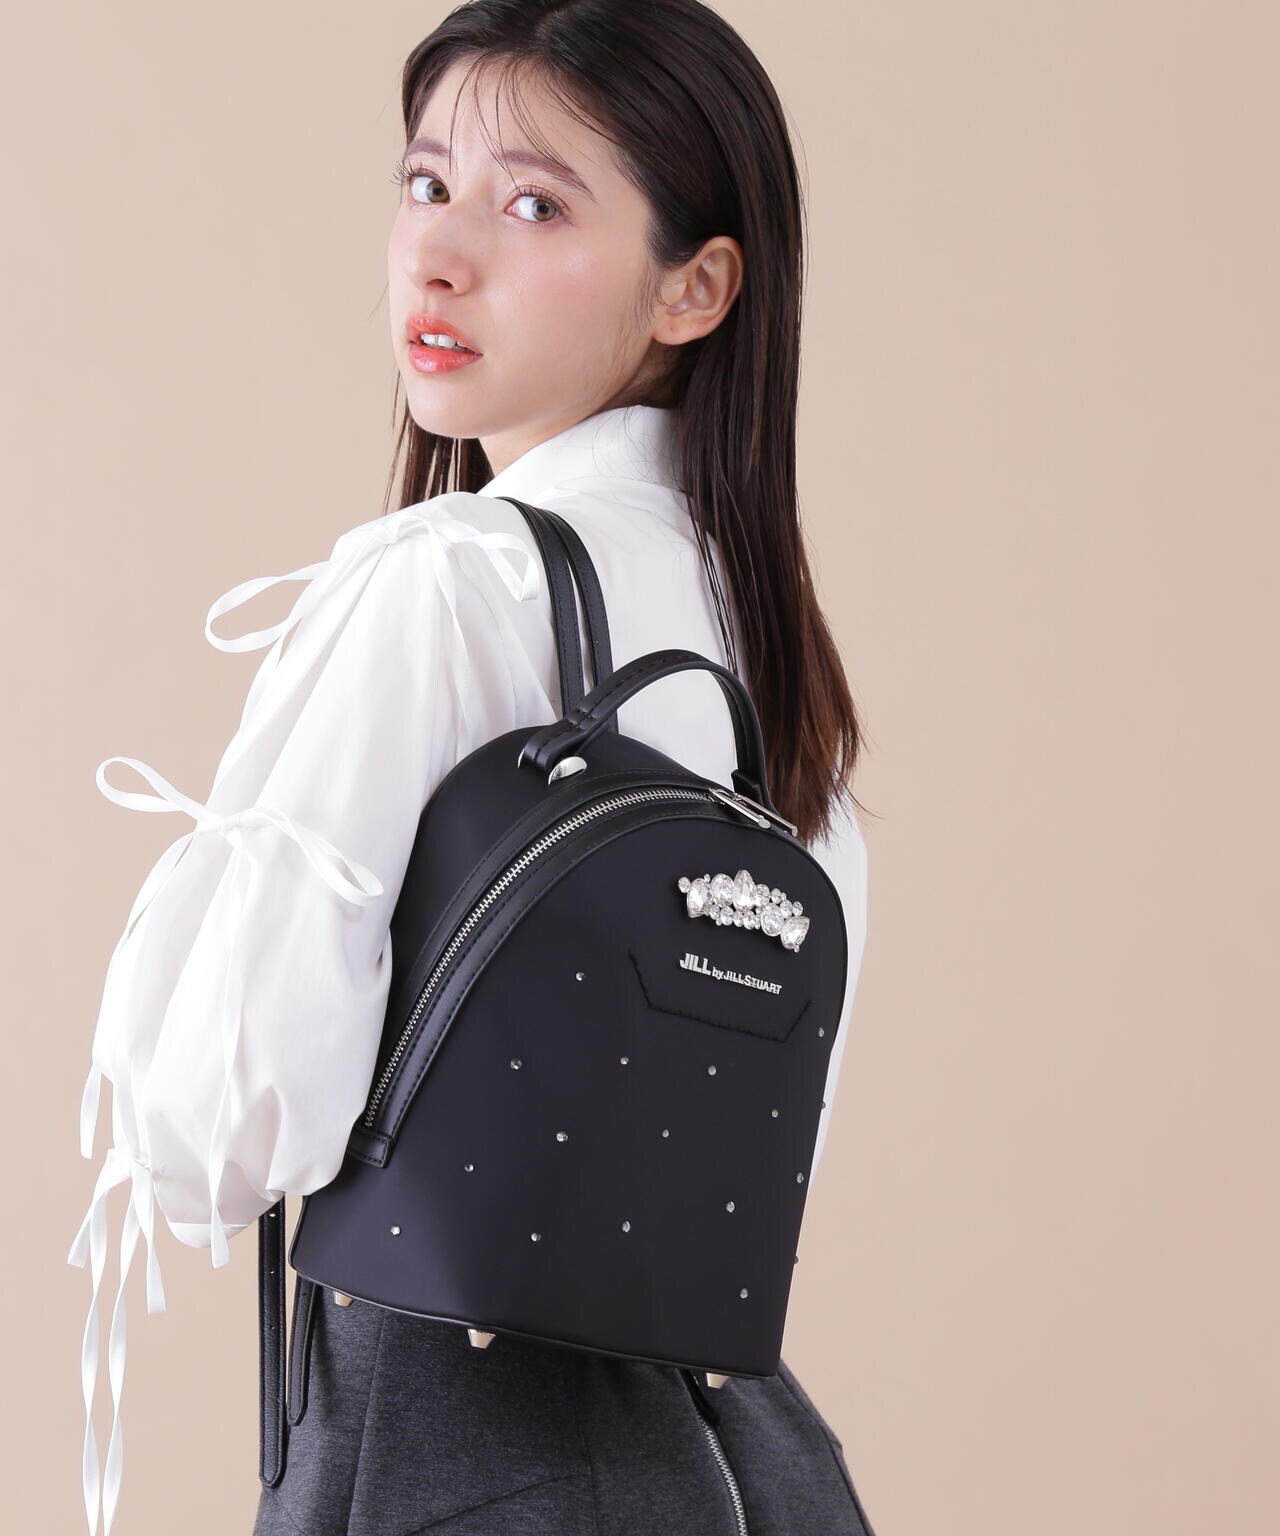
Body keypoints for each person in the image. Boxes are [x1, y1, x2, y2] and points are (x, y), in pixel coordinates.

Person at [67, 3, 877, 1532]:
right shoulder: (763, 632)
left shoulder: (443, 581)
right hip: (736, 1458)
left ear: (697, 287)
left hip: (448, 1443)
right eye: (426, 183)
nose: (438, 257)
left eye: (535, 206)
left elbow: (221, 1126)